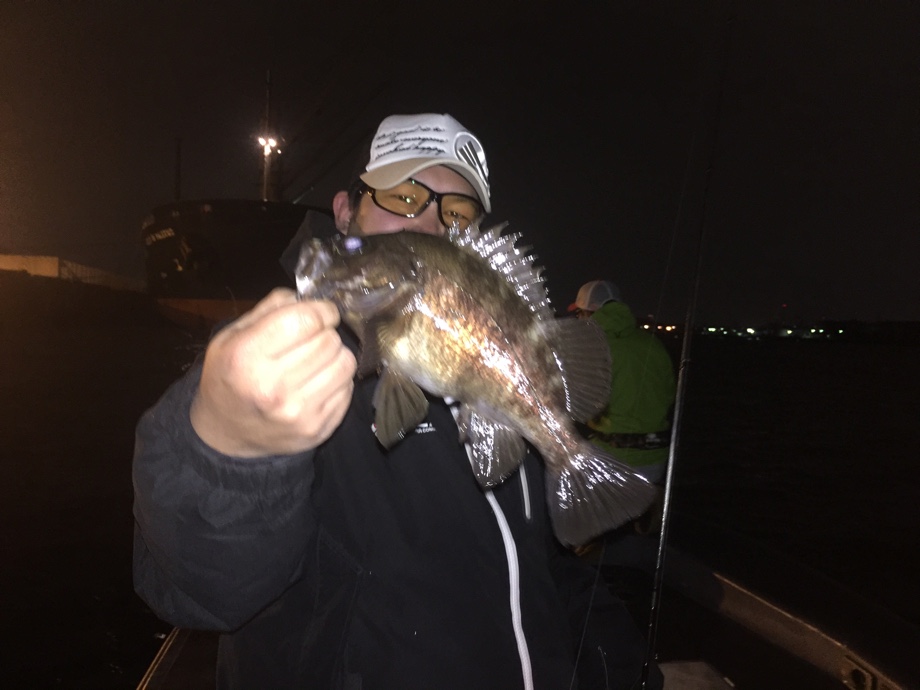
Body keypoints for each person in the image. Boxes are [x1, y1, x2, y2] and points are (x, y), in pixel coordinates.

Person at [132, 113, 663, 690]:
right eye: (405, 197)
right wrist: (229, 449)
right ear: (345, 212)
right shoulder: (283, 369)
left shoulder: (496, 379)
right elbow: (200, 590)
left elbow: (539, 571)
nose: (430, 223)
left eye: (457, 214)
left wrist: (620, 666)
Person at [569, 281, 676, 535]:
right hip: (656, 461)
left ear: (589, 313)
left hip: (613, 459)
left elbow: (578, 406)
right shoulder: (653, 344)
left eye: (579, 313)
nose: (578, 320)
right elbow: (669, 396)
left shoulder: (591, 347)